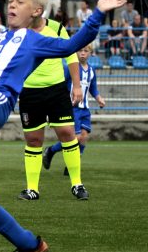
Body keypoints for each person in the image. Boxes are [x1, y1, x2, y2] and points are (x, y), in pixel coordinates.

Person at [0, 0, 126, 252]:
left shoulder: (33, 39)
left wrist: (97, 13)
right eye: (11, 0)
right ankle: (30, 246)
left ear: (36, 11)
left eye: (19, 1)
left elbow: (72, 45)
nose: (11, 4)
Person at [16, 13, 86, 202]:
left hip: (56, 89)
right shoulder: (19, 30)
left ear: (37, 8)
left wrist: (77, 86)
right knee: (33, 139)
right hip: (29, 92)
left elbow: (71, 55)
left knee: (67, 133)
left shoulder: (56, 28)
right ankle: (32, 189)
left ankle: (77, 184)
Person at [43, 44, 105, 174]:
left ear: (90, 53)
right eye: (80, 50)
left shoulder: (92, 71)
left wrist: (99, 98)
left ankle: (70, 166)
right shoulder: (70, 68)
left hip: (85, 109)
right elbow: (60, 84)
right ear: (76, 53)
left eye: (86, 51)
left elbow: (93, 88)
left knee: (83, 137)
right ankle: (51, 150)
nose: (83, 53)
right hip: (72, 108)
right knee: (74, 138)